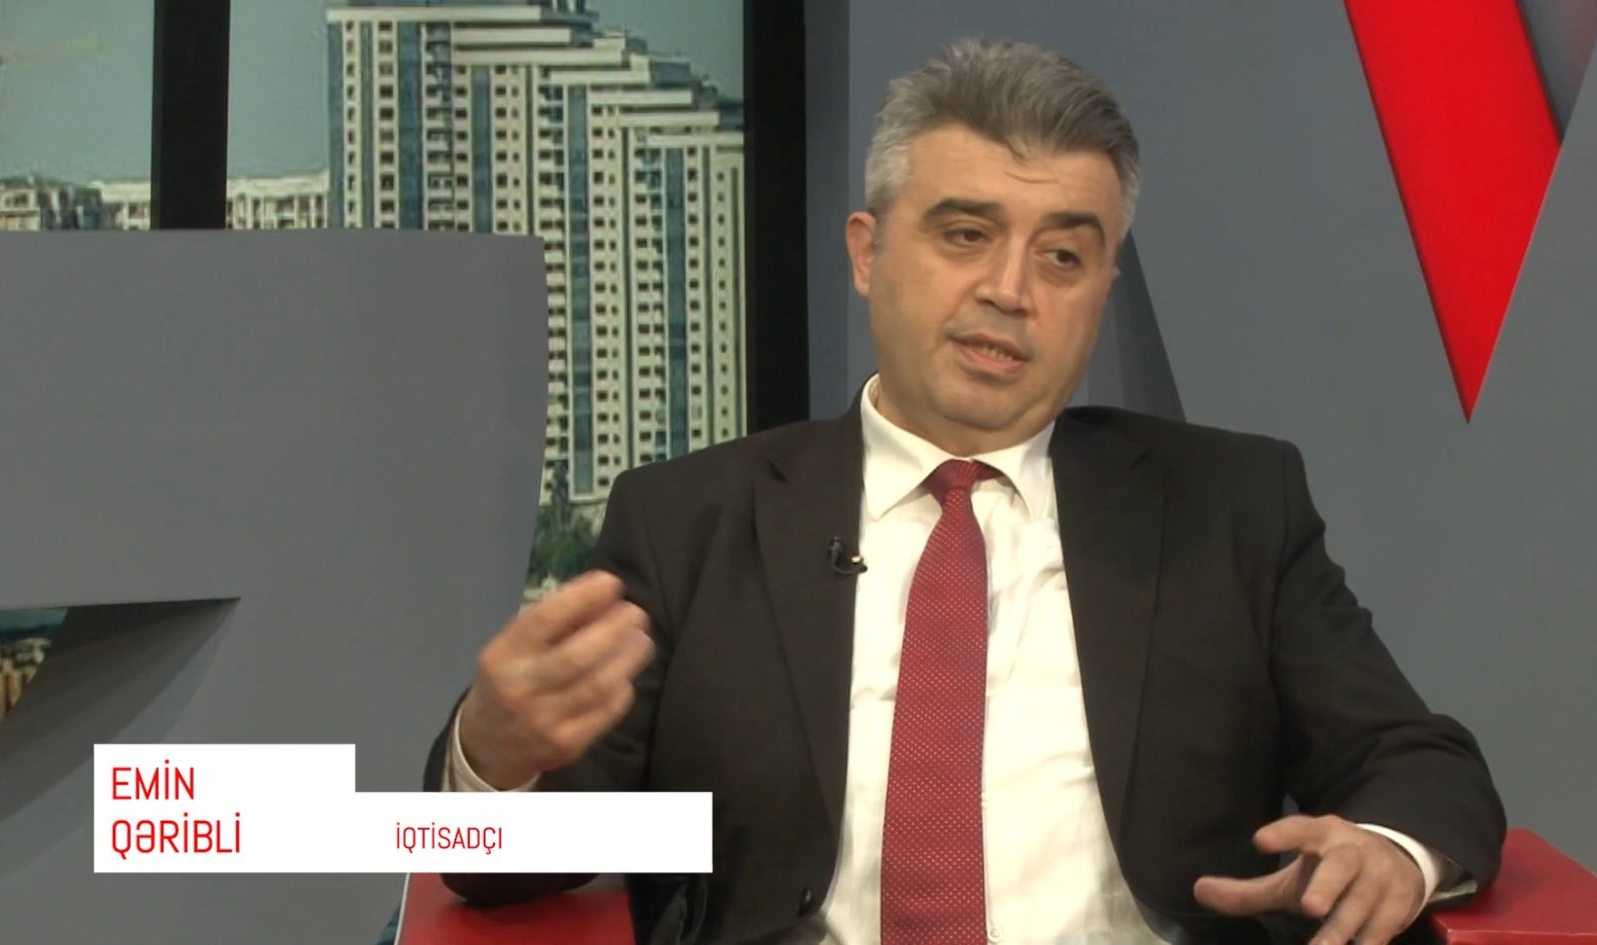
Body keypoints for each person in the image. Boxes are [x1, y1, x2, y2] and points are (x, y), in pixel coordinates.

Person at [423, 39, 1504, 945]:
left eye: (1063, 257)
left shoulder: (1230, 508)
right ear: (868, 252)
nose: (1009, 289)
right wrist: (493, 755)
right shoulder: (689, 523)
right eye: (965, 235)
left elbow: (1418, 763)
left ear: (1100, 292)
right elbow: (498, 868)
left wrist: (1388, 851)